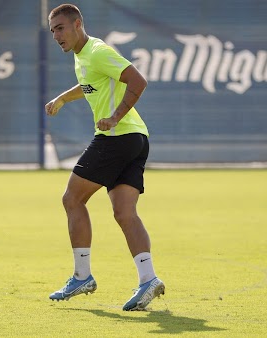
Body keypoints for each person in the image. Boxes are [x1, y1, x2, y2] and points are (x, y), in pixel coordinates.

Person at [45, 4, 165, 311]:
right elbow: (89, 86)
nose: (56, 35)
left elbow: (138, 81)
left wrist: (113, 117)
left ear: (77, 24)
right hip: (137, 139)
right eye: (52, 30)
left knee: (72, 199)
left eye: (60, 28)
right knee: (125, 214)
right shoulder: (82, 57)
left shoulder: (97, 51)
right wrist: (62, 98)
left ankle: (82, 275)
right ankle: (148, 279)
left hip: (117, 137)